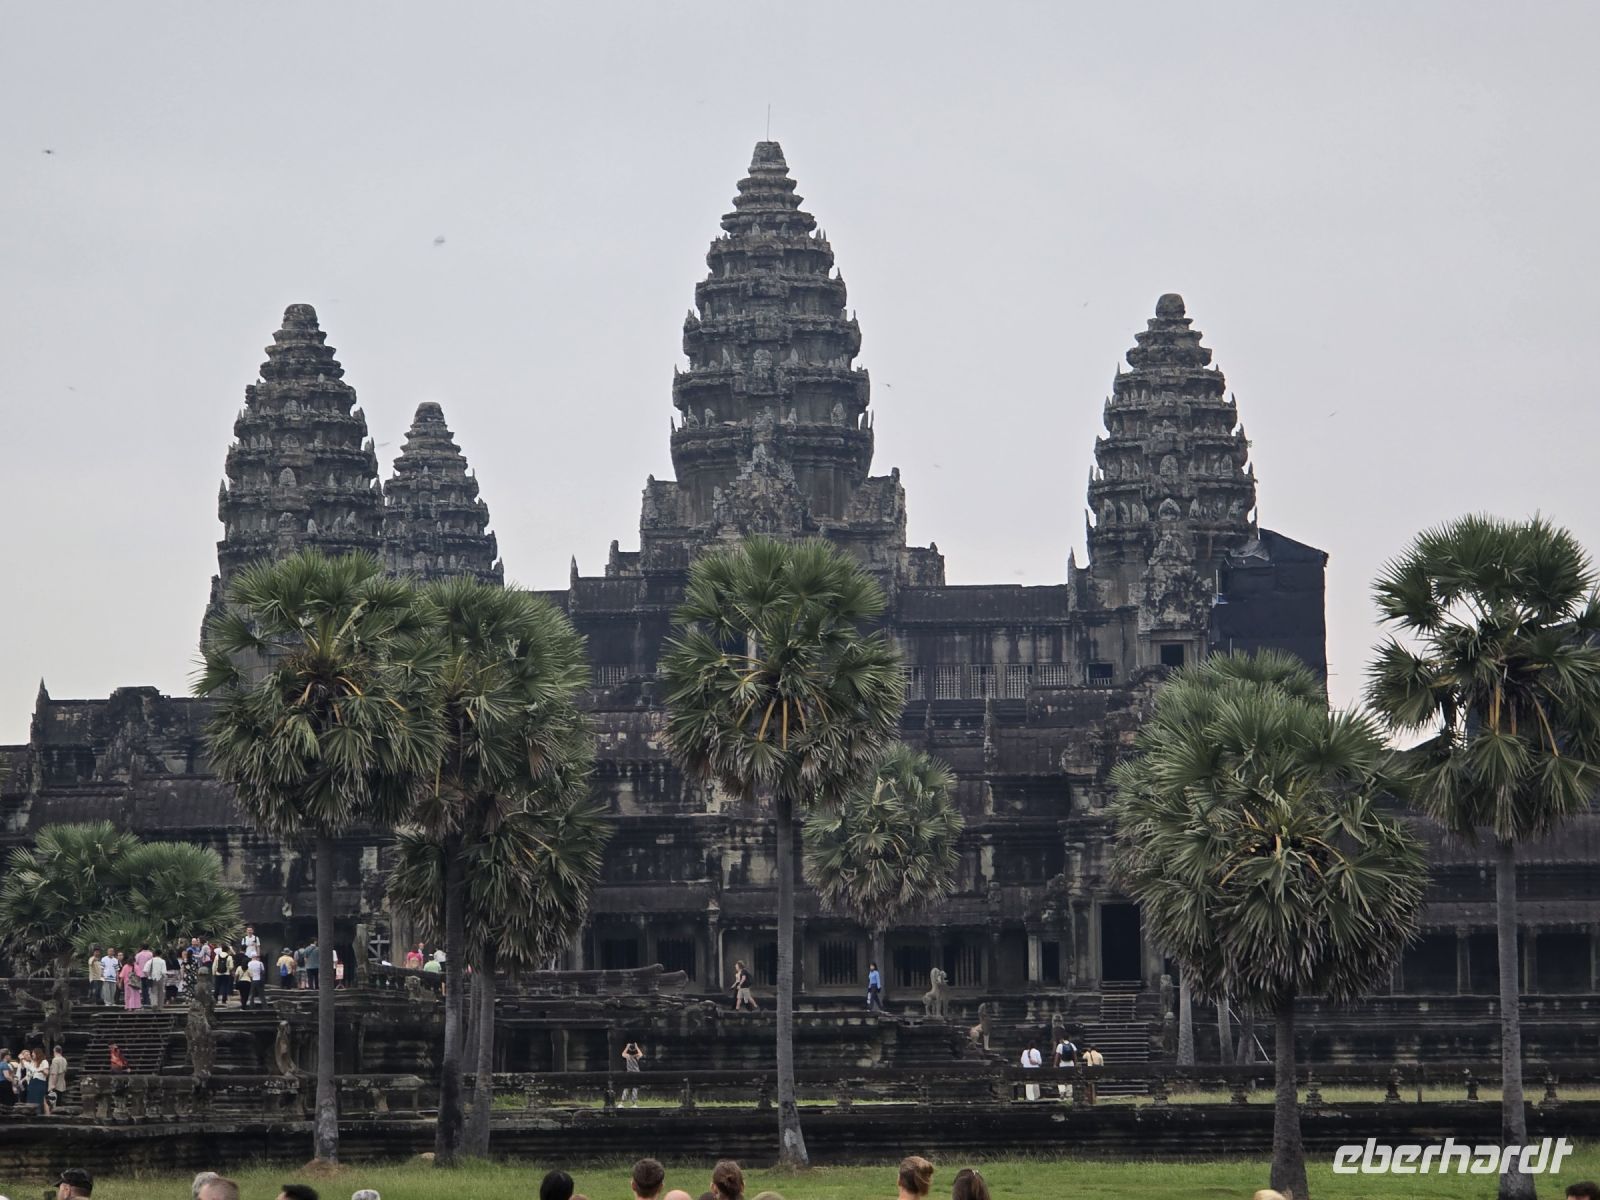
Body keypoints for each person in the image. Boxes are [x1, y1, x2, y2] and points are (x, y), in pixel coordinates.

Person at [1054, 1032, 1077, 1099]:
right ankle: (1069, 1094)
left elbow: (1057, 1056)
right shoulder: (1072, 1045)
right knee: (1070, 1078)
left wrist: (1055, 1064)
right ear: (1069, 1038)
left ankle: (1062, 1092)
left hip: (1063, 1064)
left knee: (1061, 1078)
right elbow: (1075, 1056)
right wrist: (1075, 1064)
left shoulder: (1060, 1045)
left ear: (1062, 1038)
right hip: (1071, 1063)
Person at [621, 1039, 644, 1106]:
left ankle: (622, 1103)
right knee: (635, 1088)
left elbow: (623, 1054)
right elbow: (641, 1054)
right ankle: (634, 1103)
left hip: (629, 1073)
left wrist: (627, 1047)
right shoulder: (636, 1056)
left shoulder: (628, 1056)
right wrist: (636, 1047)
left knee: (626, 1088)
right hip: (636, 1073)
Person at [48, 1044, 67, 1113]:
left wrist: (53, 1084)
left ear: (54, 1051)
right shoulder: (64, 1059)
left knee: (53, 1103)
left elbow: (54, 1073)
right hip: (62, 1083)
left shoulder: (55, 1060)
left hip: (56, 1084)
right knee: (59, 1101)